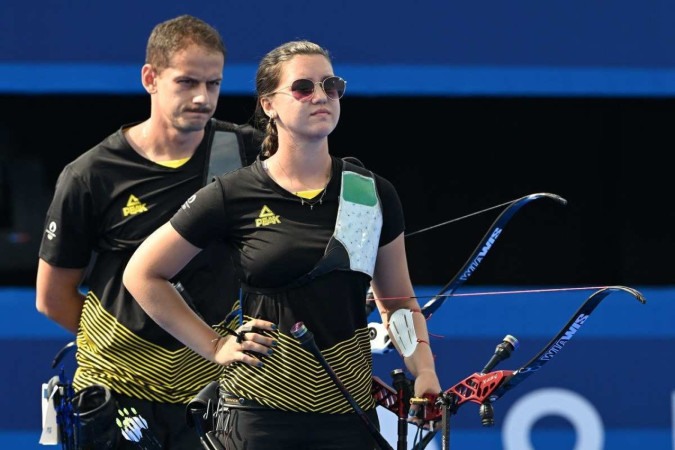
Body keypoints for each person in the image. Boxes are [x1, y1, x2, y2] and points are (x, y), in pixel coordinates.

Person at [123, 40, 441, 450]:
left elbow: (397, 302)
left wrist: (425, 371)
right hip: (257, 416)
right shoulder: (234, 193)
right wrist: (215, 344)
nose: (321, 96)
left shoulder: (370, 192)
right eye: (303, 87)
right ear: (269, 105)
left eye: (331, 85)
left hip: (349, 415)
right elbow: (143, 274)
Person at [35, 14, 270, 449]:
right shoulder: (91, 174)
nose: (202, 98)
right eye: (186, 82)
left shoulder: (248, 153)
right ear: (151, 78)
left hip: (213, 392)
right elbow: (52, 298)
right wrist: (129, 347)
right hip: (117, 389)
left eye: (213, 84)